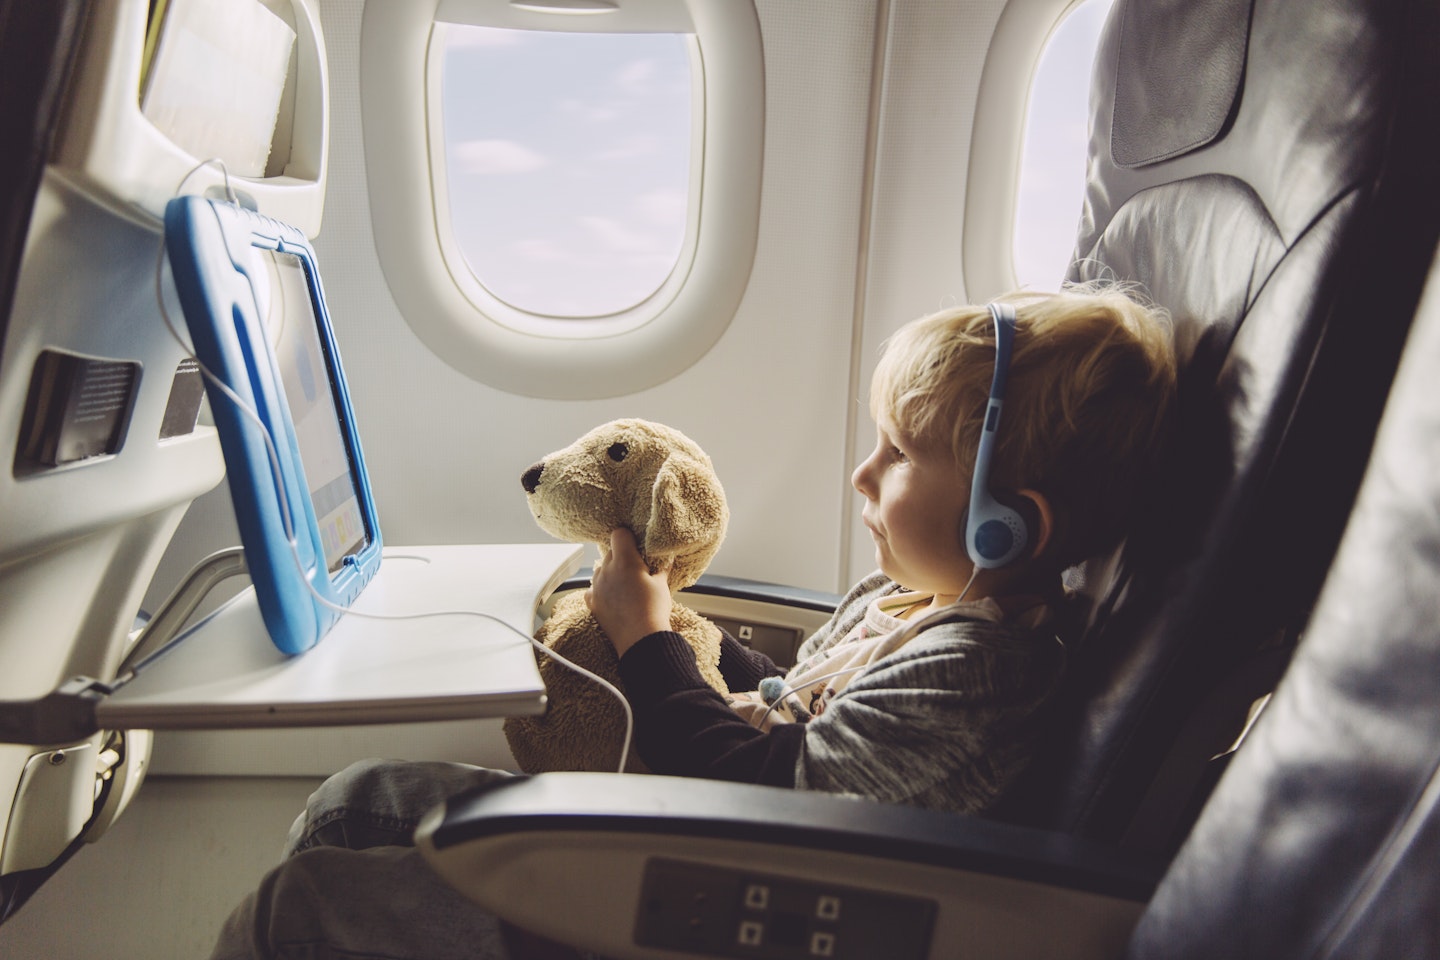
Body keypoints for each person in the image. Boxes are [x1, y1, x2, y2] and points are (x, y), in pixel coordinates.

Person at [210, 285, 1177, 959]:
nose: (861, 475)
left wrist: (647, 643)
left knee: (290, 915)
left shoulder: (976, 673)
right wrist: (691, 635)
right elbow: (787, 707)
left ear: (1006, 525)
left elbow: (759, 793)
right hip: (706, 844)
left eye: (899, 455)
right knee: (353, 797)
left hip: (711, 907)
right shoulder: (914, 605)